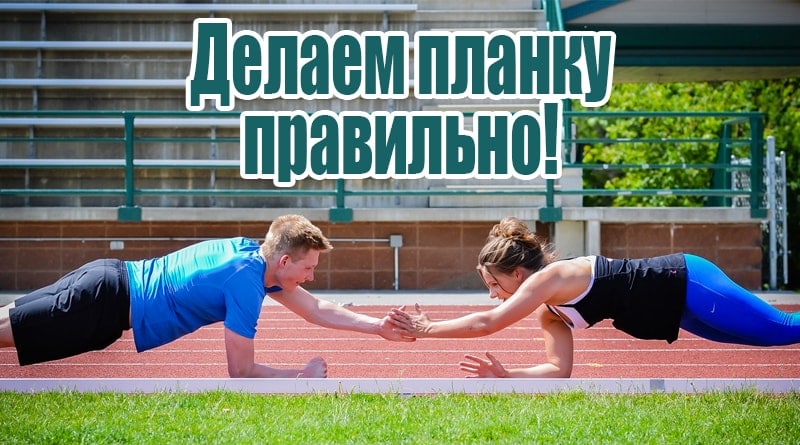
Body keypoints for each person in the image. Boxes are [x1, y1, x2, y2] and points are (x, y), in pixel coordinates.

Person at [0, 214, 413, 378]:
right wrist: (299, 377)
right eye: (308, 268)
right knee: (7, 332)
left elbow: (315, 309)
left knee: (8, 319)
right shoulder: (246, 283)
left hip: (106, 280)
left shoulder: (254, 255)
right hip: (103, 305)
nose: (311, 278)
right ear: (285, 262)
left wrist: (378, 327)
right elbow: (241, 372)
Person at [389, 216, 800, 378]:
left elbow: (488, 324)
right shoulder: (550, 311)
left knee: (781, 331)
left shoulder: (552, 277)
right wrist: (508, 377)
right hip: (676, 310)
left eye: (494, 285)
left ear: (518, 273)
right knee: (768, 338)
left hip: (687, 280)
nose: (493, 295)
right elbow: (558, 370)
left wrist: (427, 329)